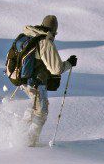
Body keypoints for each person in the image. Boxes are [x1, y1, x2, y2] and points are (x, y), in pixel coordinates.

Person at [21, 15, 77, 146]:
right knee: (41, 112)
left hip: (25, 81)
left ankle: (18, 135)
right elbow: (56, 69)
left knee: (33, 108)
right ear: (54, 30)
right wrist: (69, 63)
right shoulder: (45, 42)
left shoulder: (31, 35)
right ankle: (28, 143)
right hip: (36, 83)